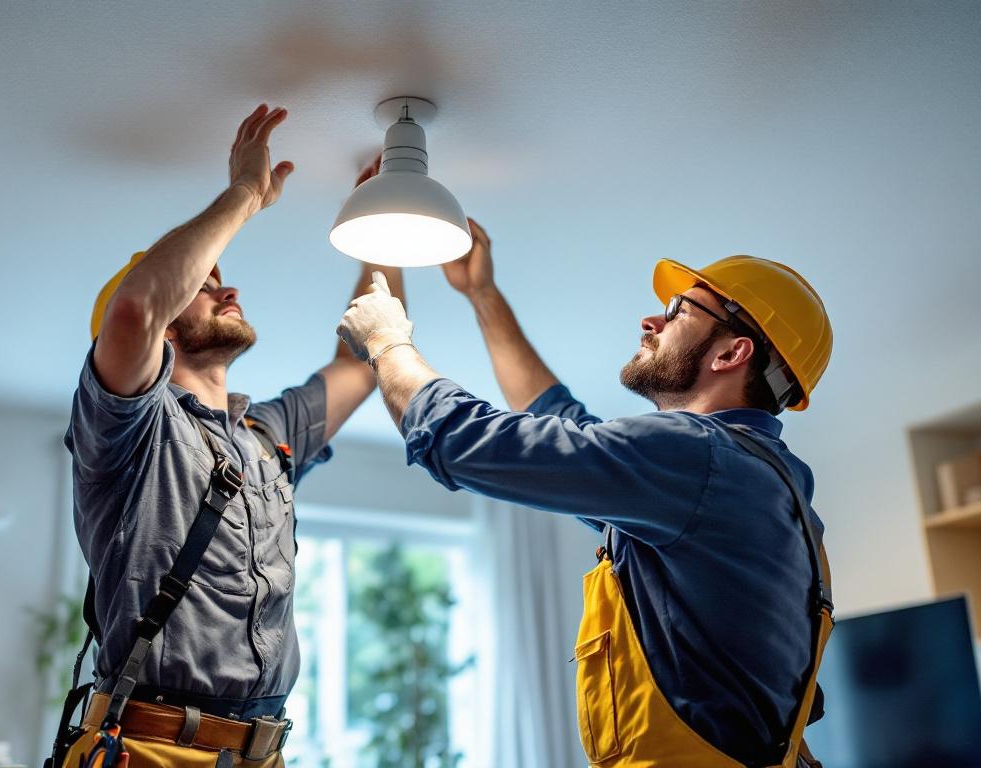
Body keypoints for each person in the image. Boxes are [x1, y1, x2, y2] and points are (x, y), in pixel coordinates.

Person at [337, 221, 835, 767]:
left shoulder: (696, 459)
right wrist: (482, 294)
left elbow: (467, 443)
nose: (650, 320)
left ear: (731, 354)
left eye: (679, 312)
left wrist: (388, 342)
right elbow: (558, 419)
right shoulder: (761, 484)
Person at [57, 104, 402, 768]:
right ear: (164, 327)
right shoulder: (129, 431)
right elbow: (133, 310)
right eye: (204, 284)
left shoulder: (267, 436)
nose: (228, 286)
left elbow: (366, 360)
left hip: (261, 753)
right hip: (147, 750)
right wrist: (247, 193)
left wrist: (381, 237)